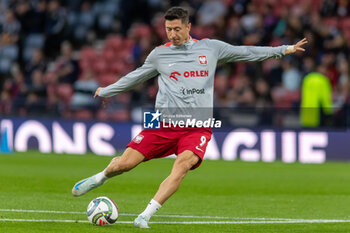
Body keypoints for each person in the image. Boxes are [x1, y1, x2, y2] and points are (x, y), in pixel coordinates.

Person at [72, 7, 307, 228]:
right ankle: (101, 177)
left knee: (182, 165)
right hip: (161, 123)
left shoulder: (211, 48)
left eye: (176, 29)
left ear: (188, 27)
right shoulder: (159, 55)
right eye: (168, 29)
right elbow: (135, 77)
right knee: (125, 164)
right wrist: (107, 90)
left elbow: (245, 52)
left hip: (197, 126)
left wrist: (283, 49)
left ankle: (145, 215)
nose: (172, 34)